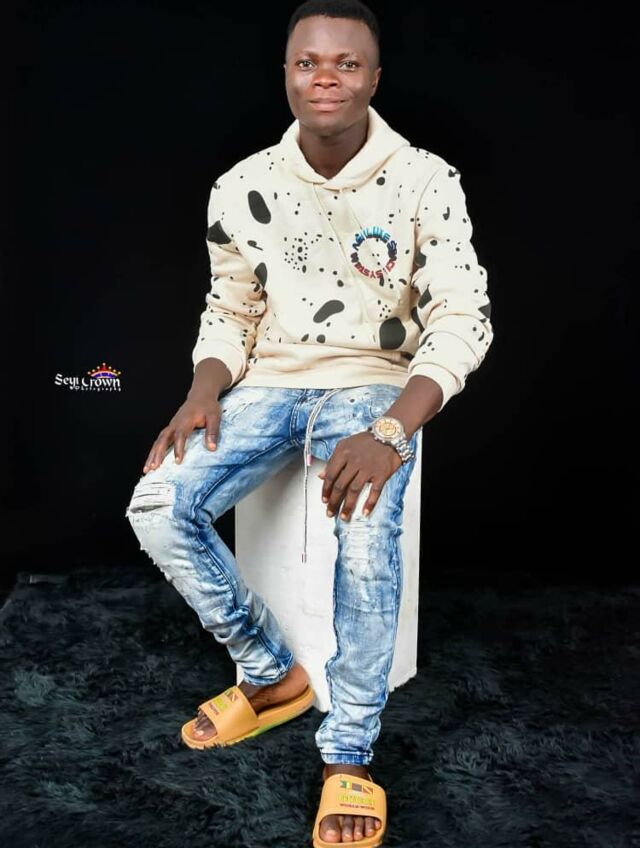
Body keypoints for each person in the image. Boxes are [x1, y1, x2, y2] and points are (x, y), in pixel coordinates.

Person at [125, 0, 494, 843]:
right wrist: (204, 386)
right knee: (156, 503)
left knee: (364, 535)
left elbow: (463, 316)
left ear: (374, 78)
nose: (325, 77)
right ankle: (270, 672)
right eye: (307, 62)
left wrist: (394, 429)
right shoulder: (242, 185)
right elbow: (230, 308)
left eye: (346, 63)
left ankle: (349, 755)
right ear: (287, 76)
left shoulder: (426, 179)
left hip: (373, 387)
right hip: (270, 385)